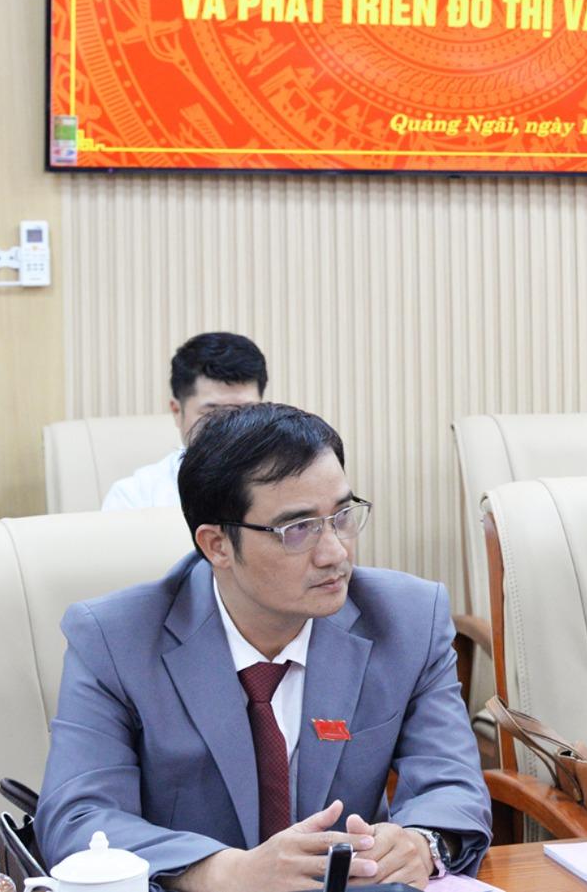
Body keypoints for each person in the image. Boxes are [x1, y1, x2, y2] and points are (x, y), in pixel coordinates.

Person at [38, 403, 490, 889]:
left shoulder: (407, 619)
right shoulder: (115, 640)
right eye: (298, 529)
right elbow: (78, 817)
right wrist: (228, 871)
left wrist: (421, 843)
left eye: (341, 516)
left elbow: (453, 784)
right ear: (217, 545)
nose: (335, 552)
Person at [101, 332, 268, 512]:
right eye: (214, 413)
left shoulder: (285, 484)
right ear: (177, 411)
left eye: (245, 411)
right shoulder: (134, 498)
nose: (231, 427)